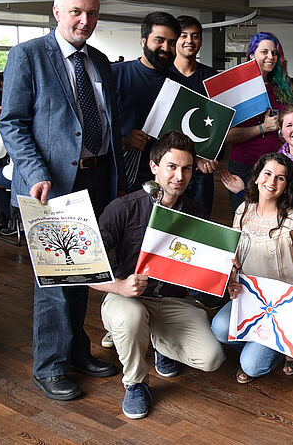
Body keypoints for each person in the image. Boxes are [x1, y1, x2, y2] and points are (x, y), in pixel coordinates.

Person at [0, 0, 122, 401]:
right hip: (47, 188)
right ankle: (49, 366)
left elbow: (107, 123)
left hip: (96, 178)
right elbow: (12, 122)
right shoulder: (28, 55)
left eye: (91, 13)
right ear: (57, 12)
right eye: (76, 12)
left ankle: (75, 352)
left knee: (84, 273)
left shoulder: (101, 62)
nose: (84, 21)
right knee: (54, 281)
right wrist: (33, 171)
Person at [92, 131, 225, 419]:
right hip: (128, 299)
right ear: (154, 167)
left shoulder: (196, 212)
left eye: (187, 168)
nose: (179, 176)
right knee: (131, 318)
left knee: (211, 358)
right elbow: (84, 268)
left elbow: (203, 276)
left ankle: (159, 341)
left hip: (173, 302)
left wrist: (224, 266)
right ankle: (136, 383)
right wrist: (119, 286)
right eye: (172, 167)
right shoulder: (123, 208)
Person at [211, 152, 293, 382]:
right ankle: (265, 341)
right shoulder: (242, 212)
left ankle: (291, 345)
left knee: (251, 366)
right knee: (219, 327)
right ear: (256, 177)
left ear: (286, 186)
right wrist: (231, 281)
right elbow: (232, 259)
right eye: (267, 174)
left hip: (282, 303)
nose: (272, 182)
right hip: (250, 298)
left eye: (280, 178)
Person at [112, 11, 181, 191]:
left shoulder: (181, 84)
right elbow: (96, 125)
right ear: (143, 41)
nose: (166, 48)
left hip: (167, 179)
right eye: (159, 40)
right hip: (122, 177)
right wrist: (124, 142)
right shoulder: (115, 75)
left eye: (172, 43)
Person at [224, 32, 293, 210]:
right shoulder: (238, 88)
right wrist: (263, 128)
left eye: (274, 53)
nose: (271, 57)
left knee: (270, 217)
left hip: (275, 165)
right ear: (252, 54)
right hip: (245, 165)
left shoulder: (280, 87)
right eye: (264, 52)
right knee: (244, 216)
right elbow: (226, 135)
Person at [170, 15, 220, 219]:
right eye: (183, 35)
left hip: (201, 170)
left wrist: (210, 155)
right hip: (170, 166)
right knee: (166, 221)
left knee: (199, 221)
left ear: (200, 41)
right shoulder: (163, 75)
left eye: (195, 36)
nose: (189, 40)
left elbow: (218, 123)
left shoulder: (213, 77)